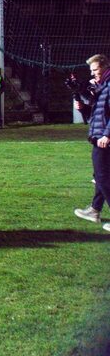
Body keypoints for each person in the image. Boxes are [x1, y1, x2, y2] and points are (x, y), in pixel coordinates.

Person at [74, 54, 110, 233]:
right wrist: (84, 107)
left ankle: (95, 210)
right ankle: (95, 210)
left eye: (95, 69)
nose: (93, 73)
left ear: (104, 67)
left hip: (104, 138)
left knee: (102, 177)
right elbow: (97, 115)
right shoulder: (101, 87)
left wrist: (107, 135)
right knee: (99, 175)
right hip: (99, 135)